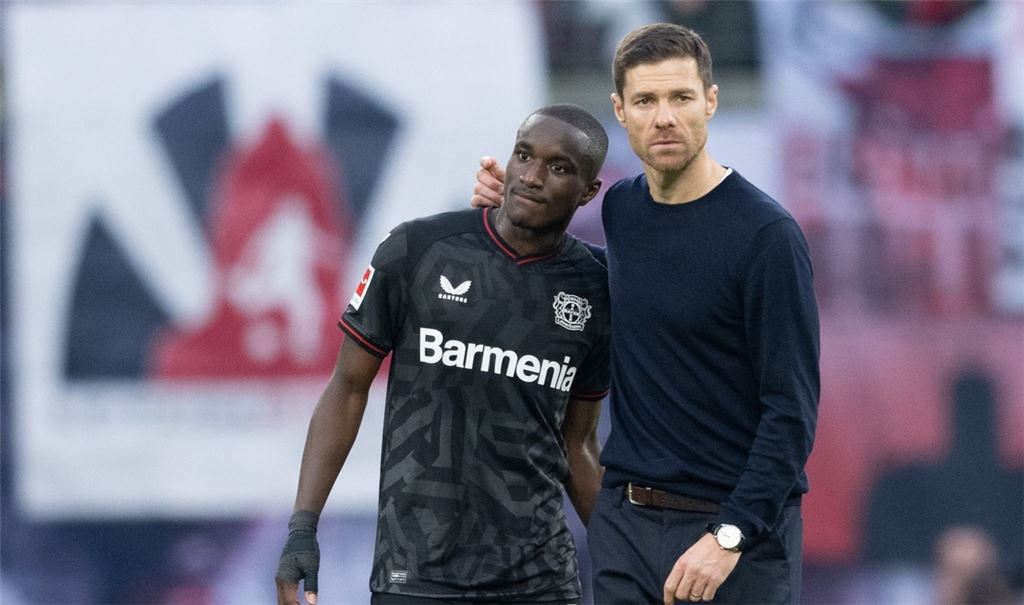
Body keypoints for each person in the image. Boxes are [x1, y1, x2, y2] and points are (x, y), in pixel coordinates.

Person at [472, 23, 820, 605]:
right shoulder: (623, 208)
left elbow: (791, 413)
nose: (664, 118)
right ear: (620, 111)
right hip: (626, 530)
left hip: (733, 539)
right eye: (645, 101)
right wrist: (513, 202)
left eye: (681, 97)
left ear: (710, 101)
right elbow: (597, 273)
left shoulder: (768, 236)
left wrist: (730, 536)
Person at [276, 104, 612, 605]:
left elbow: (578, 444)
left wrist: (625, 557)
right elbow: (347, 389)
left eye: (559, 167)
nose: (532, 176)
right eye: (523, 155)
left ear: (588, 191)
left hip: (539, 581)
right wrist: (303, 528)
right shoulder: (417, 248)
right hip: (415, 575)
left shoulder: (595, 288)